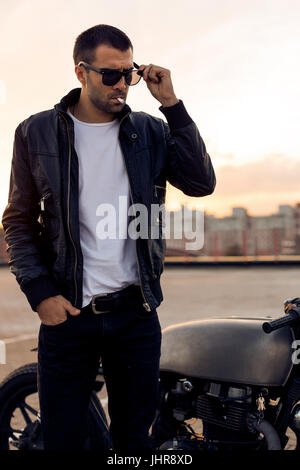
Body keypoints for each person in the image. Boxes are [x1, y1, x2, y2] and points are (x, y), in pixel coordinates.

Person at [1, 24, 216, 451]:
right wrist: (41, 294)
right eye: (110, 75)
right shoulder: (36, 132)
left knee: (134, 442)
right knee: (62, 439)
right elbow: (18, 220)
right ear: (80, 72)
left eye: (129, 73)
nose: (123, 85)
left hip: (135, 314)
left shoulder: (151, 132)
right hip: (68, 315)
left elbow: (200, 183)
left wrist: (172, 105)